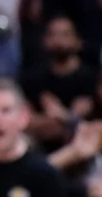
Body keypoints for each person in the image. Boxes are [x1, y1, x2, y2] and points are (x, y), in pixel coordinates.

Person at [24, 16, 100, 154]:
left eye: (65, 34)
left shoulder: (92, 78)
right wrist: (70, 121)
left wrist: (61, 115)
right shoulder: (34, 78)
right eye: (52, 34)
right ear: (44, 40)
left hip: (86, 153)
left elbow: (89, 126)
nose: (58, 40)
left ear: (78, 40)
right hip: (40, 150)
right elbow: (27, 122)